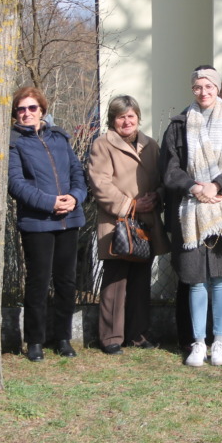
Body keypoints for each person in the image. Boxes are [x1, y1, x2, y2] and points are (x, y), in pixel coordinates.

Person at [161, 67, 222, 367]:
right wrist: (195, 187)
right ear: (192, 89)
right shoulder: (178, 126)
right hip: (190, 209)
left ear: (216, 87)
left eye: (209, 86)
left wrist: (217, 185)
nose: (203, 92)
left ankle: (219, 341)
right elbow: (170, 168)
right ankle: (198, 342)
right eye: (198, 87)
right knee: (195, 280)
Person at [8, 86, 88, 362]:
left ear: (42, 110)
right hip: (37, 222)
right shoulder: (13, 142)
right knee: (38, 282)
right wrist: (49, 202)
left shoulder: (59, 138)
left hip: (69, 218)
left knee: (66, 282)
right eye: (21, 109)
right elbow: (16, 184)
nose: (27, 113)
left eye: (32, 108)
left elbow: (77, 171)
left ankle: (63, 338)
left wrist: (75, 198)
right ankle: (35, 340)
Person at [87, 95, 170, 355]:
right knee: (116, 282)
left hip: (145, 223)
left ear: (138, 118)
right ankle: (111, 337)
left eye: (131, 116)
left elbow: (162, 179)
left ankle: (138, 335)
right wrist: (130, 205)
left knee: (140, 281)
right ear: (113, 120)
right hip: (117, 222)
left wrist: (157, 196)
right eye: (121, 116)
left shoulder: (151, 145)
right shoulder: (103, 145)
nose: (126, 121)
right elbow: (100, 184)